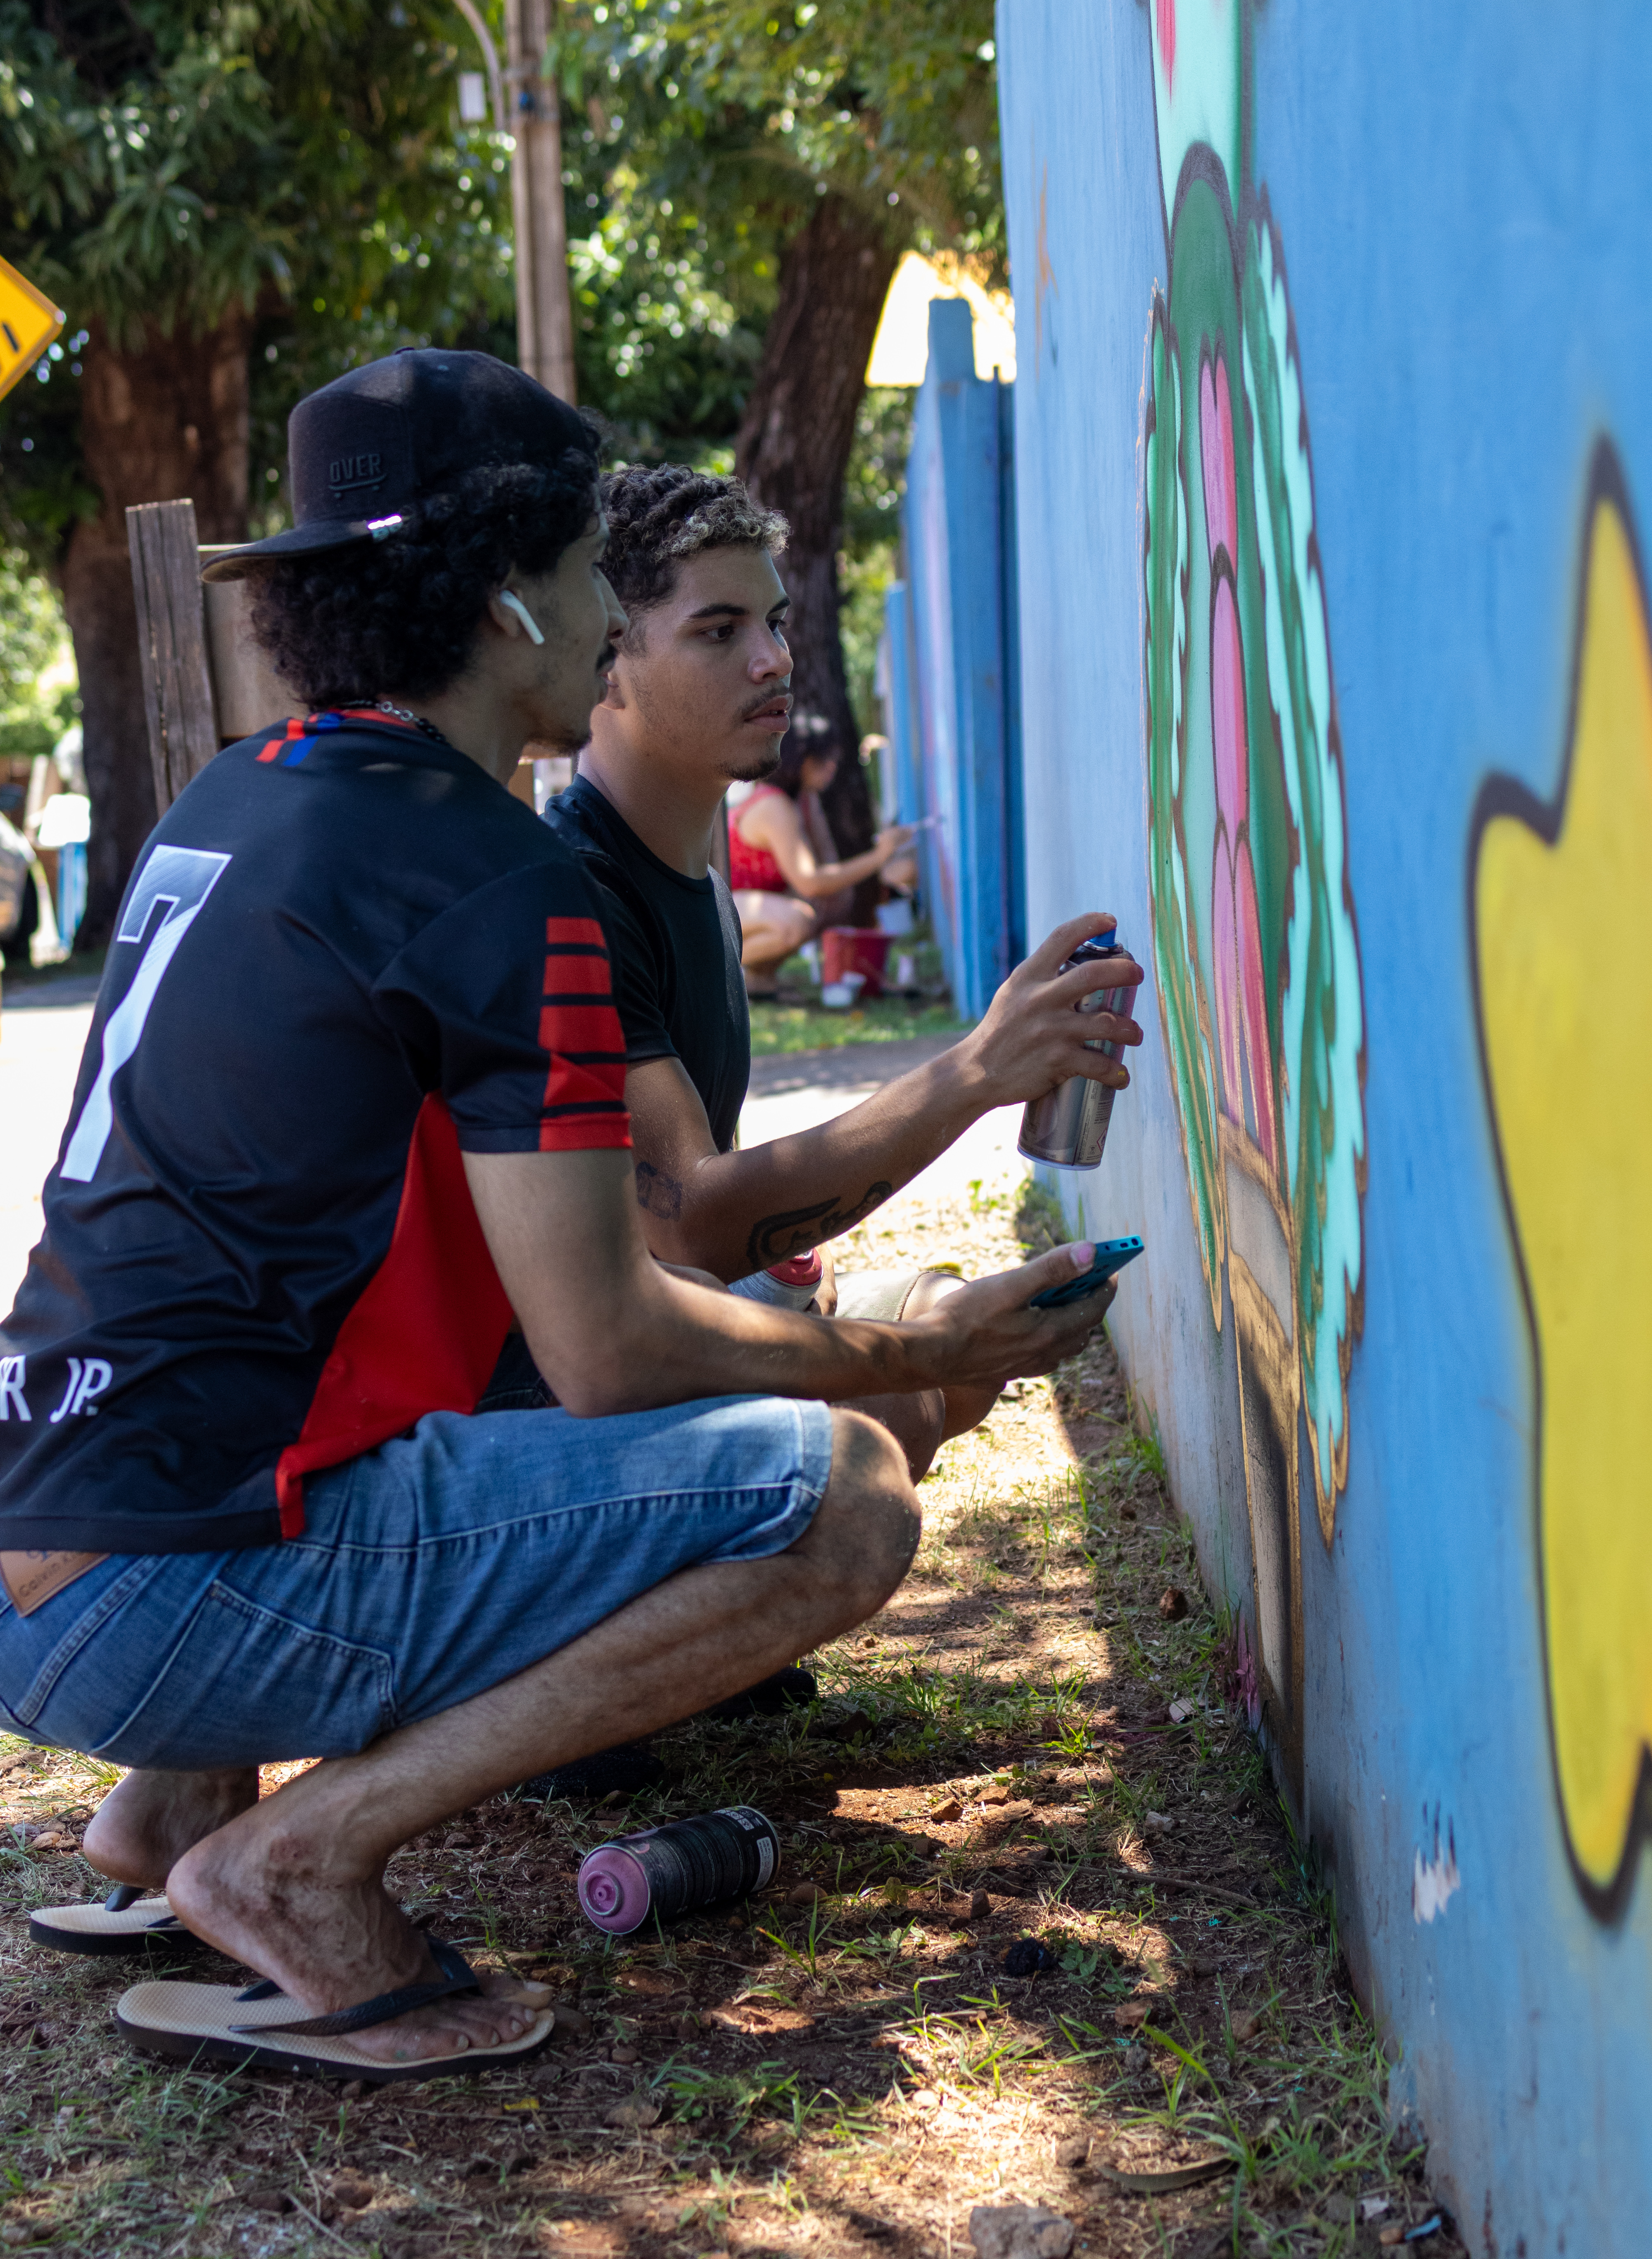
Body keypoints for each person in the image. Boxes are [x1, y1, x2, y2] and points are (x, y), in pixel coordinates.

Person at [0, 352, 1118, 2085]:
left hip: (43, 1557)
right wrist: (921, 1345)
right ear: (505, 593)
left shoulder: (244, 791)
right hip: (160, 1595)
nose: (611, 618)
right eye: (600, 573)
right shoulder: (492, 873)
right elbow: (609, 1345)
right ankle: (292, 1858)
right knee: (843, 1495)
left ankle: (169, 1812)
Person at [545, 462, 1145, 1493]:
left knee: (949, 1313)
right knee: (894, 1416)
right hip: (574, 1399)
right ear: (606, 655)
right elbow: (688, 1217)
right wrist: (976, 1071)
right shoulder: (576, 891)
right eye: (718, 630)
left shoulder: (684, 857)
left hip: (692, 1310)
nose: (775, 660)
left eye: (775, 623)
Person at [725, 711, 914, 996]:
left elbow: (829, 872)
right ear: (801, 761)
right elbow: (811, 881)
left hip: (745, 906)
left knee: (832, 903)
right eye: (825, 759)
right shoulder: (775, 806)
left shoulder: (804, 799)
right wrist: (879, 857)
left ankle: (758, 979)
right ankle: (712, 975)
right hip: (725, 909)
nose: (833, 767)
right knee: (796, 921)